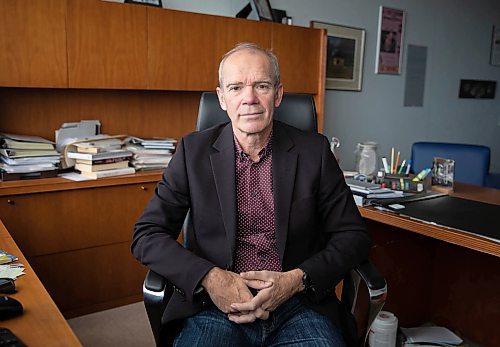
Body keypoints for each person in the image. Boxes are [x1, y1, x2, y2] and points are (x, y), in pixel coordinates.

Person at [132, 43, 370, 346]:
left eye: (261, 85)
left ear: (278, 94)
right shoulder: (193, 153)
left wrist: (297, 279)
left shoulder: (314, 152)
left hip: (297, 305)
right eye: (235, 87)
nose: (249, 99)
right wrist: (210, 278)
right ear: (221, 98)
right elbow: (146, 235)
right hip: (214, 305)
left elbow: (353, 236)